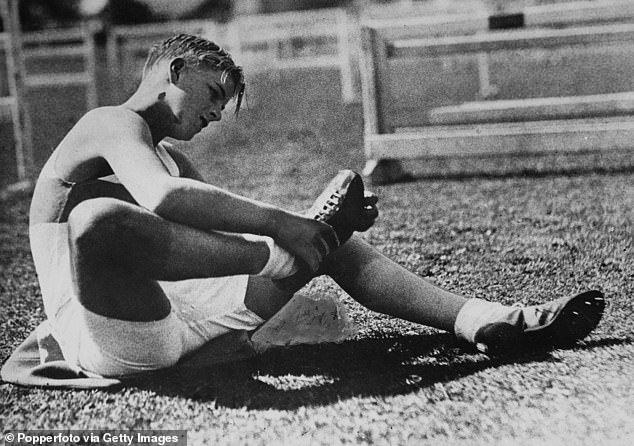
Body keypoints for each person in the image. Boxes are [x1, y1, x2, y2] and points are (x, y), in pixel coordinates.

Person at [27, 34, 605, 378]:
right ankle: (286, 252)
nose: (213, 117)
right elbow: (163, 199)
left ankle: (486, 319)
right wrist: (283, 234)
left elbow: (196, 217)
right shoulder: (110, 123)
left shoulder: (170, 154)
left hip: (194, 326)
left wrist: (305, 234)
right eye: (210, 96)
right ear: (175, 71)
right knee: (97, 222)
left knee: (335, 244)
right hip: (114, 335)